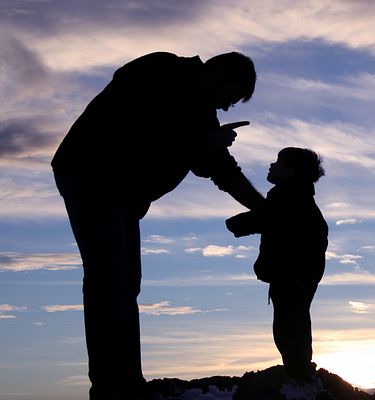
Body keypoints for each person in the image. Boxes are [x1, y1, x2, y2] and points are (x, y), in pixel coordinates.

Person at [52, 51, 265, 400]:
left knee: (125, 283)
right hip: (90, 173)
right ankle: (111, 387)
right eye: (229, 96)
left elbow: (224, 171)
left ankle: (128, 382)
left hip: (121, 193)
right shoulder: (160, 69)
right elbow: (135, 126)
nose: (227, 107)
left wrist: (267, 210)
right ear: (216, 74)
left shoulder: (202, 116)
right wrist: (204, 142)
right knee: (108, 277)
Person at [226, 147, 328, 384]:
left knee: (289, 326)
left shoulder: (289, 197)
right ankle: (300, 373)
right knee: (294, 323)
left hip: (292, 274)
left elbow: (267, 218)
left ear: (290, 171)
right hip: (298, 274)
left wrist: (233, 224)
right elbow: (272, 219)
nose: (271, 165)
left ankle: (300, 378)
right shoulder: (295, 197)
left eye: (278, 162)